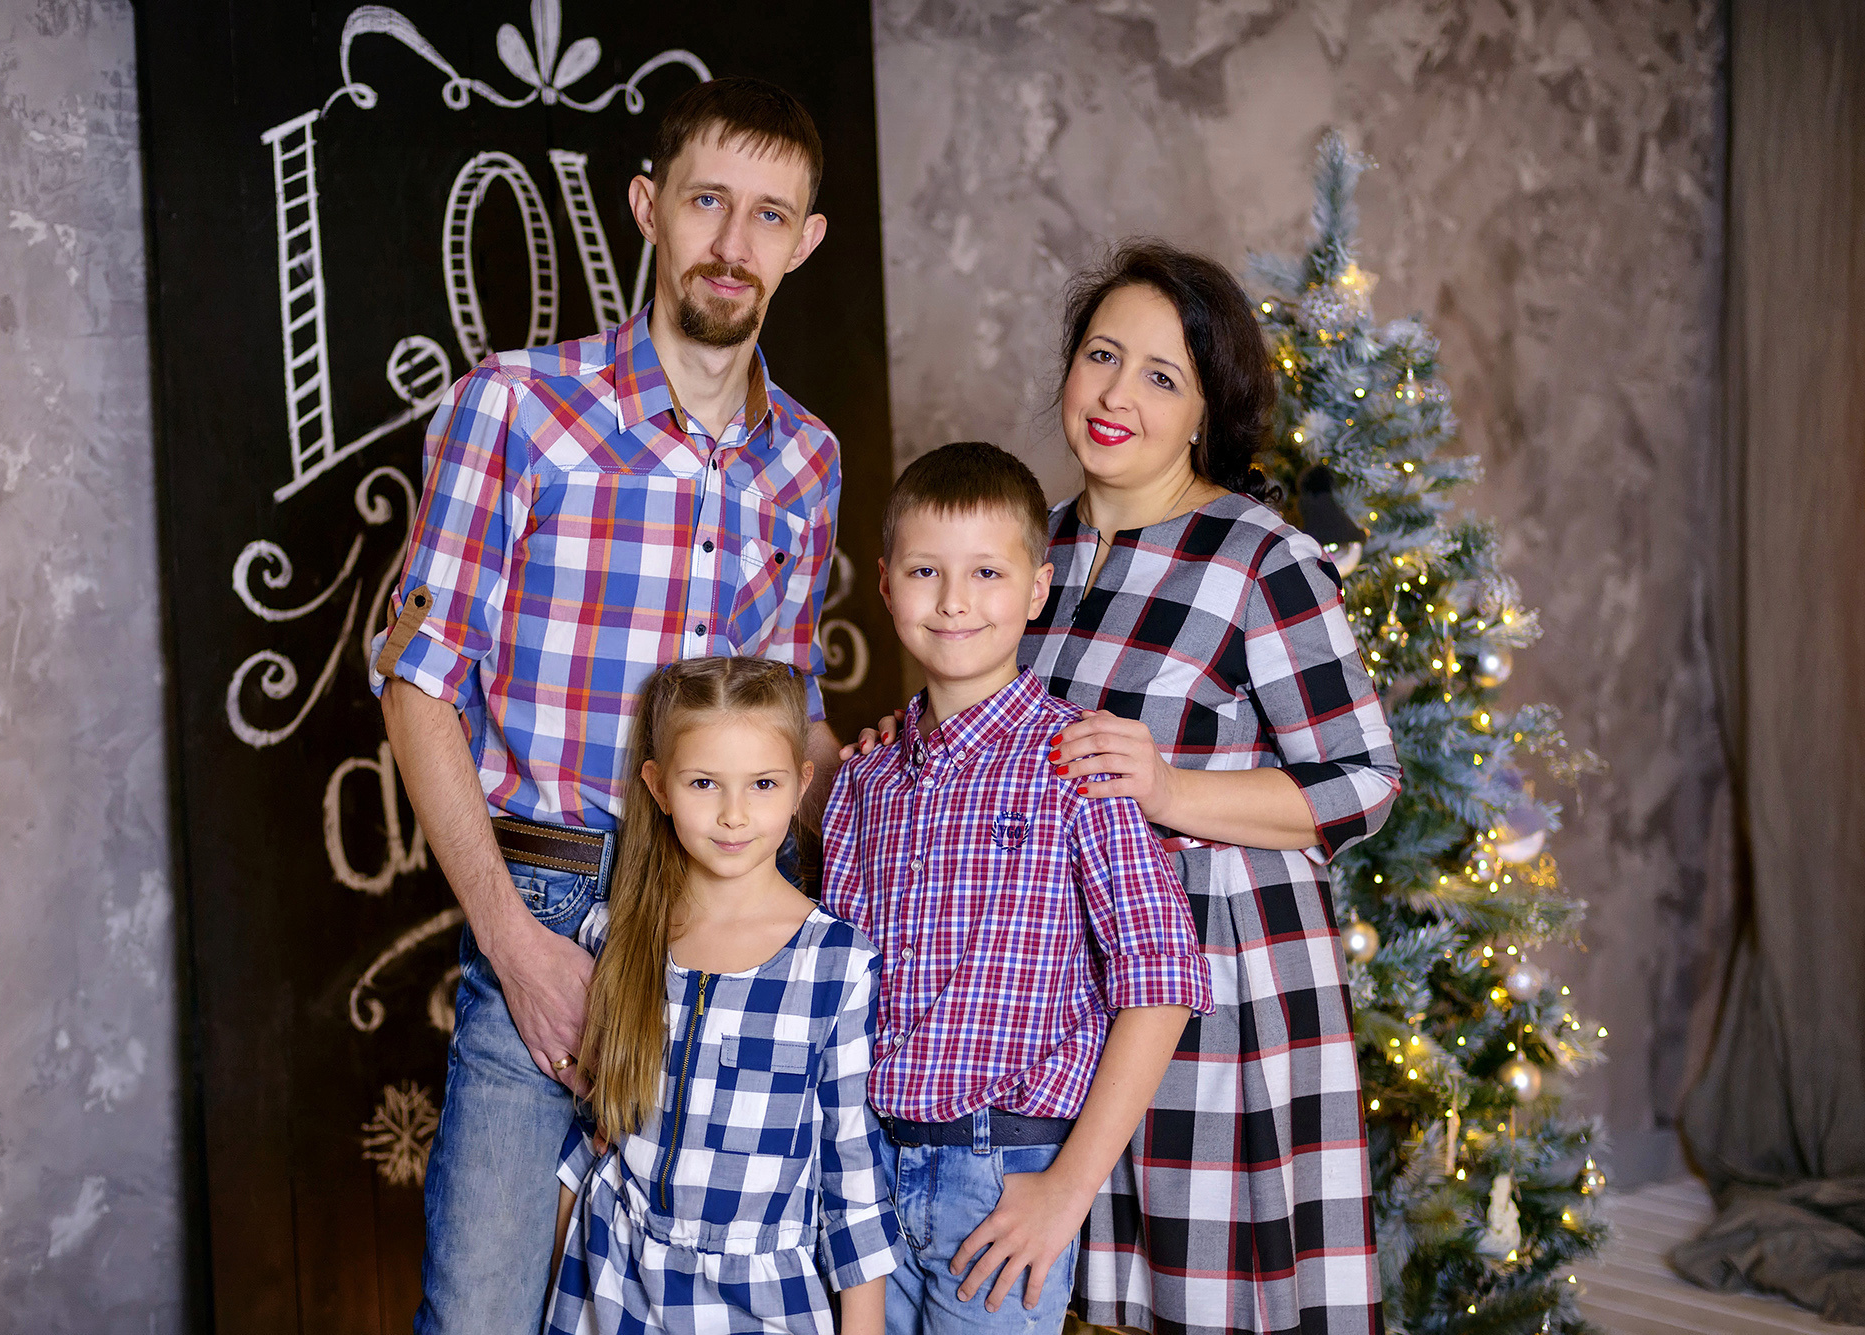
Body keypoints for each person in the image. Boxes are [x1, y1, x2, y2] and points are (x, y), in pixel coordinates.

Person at [372, 76, 847, 1333]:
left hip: (721, 915)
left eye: (767, 217)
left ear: (804, 242)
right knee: (481, 1309)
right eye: (706, 203)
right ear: (647, 208)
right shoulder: (516, 407)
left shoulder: (809, 460)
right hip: (547, 899)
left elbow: (784, 717)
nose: (732, 245)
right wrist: (515, 947)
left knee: (699, 1305)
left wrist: (950, 762)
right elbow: (415, 689)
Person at [1032, 243, 1400, 1335]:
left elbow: (1363, 781)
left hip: (1218, 984)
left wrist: (1173, 789)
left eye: (1159, 375)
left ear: (1202, 411)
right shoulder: (1028, 547)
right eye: (1101, 355)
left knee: (1208, 1296)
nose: (1114, 394)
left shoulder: (1257, 559)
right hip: (1062, 978)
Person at [821, 441, 1213, 1335]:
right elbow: (833, 992)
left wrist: (1067, 1191)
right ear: (885, 586)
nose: (954, 601)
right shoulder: (862, 784)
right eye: (926, 571)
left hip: (1005, 1180)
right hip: (868, 1175)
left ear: (1037, 589)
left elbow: (1163, 980)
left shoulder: (1079, 762)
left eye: (987, 573)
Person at [544, 656, 900, 1335]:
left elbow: (851, 1178)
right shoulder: (620, 933)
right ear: (659, 786)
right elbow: (591, 1135)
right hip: (614, 1282)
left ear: (800, 785)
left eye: (762, 783)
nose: (734, 814)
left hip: (760, 1302)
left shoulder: (836, 963)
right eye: (704, 782)